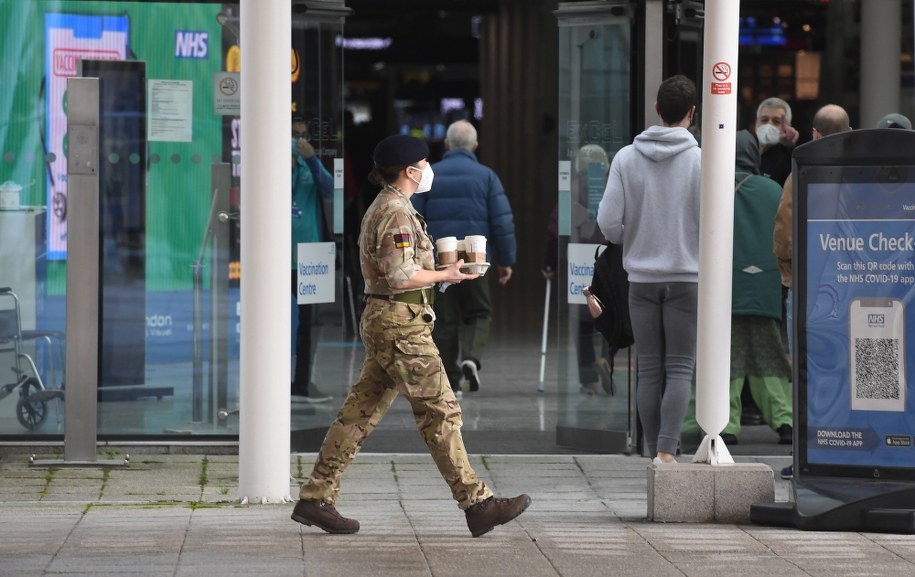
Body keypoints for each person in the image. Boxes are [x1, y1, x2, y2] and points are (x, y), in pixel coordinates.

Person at [291, 133, 530, 537]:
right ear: (410, 171)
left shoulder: (390, 207)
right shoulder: (396, 213)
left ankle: (316, 498)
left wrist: (440, 279)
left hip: (393, 320)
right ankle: (478, 504)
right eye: (424, 163)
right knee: (440, 410)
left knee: (358, 414)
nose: (428, 169)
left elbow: (402, 274)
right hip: (400, 325)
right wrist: (446, 274)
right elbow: (400, 275)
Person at [596, 75, 701, 464]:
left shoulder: (626, 157)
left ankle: (653, 450)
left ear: (657, 109)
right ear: (693, 112)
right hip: (686, 277)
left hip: (640, 279)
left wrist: (634, 237)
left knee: (649, 368)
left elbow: (608, 223)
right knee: (680, 368)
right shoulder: (701, 161)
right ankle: (666, 451)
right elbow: (714, 223)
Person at [773, 103, 851, 479]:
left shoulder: (800, 174)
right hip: (853, 288)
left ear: (815, 135)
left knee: (805, 369)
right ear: (850, 132)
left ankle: (807, 454)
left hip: (808, 288)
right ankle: (850, 447)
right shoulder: (863, 174)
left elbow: (785, 235)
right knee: (845, 366)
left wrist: (788, 273)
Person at [411, 120, 516, 396]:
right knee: (479, 312)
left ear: (446, 144)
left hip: (440, 260)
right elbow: (502, 222)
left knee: (443, 320)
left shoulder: (429, 176)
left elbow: (413, 219)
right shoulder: (487, 176)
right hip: (475, 258)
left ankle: (452, 380)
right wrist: (506, 260)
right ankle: (471, 357)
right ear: (475, 146)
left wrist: (415, 259)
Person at [725, 129, 794, 445]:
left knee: (729, 355)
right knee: (770, 353)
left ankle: (726, 424)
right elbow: (783, 236)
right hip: (766, 284)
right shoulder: (772, 189)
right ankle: (784, 421)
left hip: (727, 287)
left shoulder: (715, 188)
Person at [542, 144, 616, 395]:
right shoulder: (614, 187)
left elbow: (555, 231)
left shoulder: (570, 189)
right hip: (610, 260)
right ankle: (607, 362)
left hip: (578, 265)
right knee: (611, 317)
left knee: (583, 324)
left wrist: (550, 263)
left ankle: (588, 379)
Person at [291, 116, 334, 403]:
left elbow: (330, 190)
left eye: (304, 135)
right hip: (278, 255)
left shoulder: (310, 166)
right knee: (278, 320)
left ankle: (303, 381)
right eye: (295, 134)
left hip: (309, 255)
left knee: (308, 323)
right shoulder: (270, 161)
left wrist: (314, 160)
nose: (300, 140)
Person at [756, 97, 799, 187]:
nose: (769, 125)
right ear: (756, 123)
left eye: (776, 121)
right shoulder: (745, 151)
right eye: (764, 120)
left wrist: (789, 149)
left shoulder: (788, 158)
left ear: (788, 126)